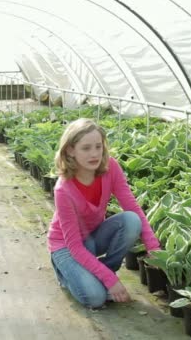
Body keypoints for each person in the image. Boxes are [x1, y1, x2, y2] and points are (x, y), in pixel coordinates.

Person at [47, 118, 161, 309]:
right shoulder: (63, 189)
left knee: (131, 221)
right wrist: (110, 282)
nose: (94, 154)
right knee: (96, 299)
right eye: (86, 148)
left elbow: (132, 207)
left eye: (98, 146)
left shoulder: (110, 168)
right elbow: (74, 246)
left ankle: (103, 273)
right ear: (70, 150)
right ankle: (65, 274)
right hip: (65, 246)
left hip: (93, 236)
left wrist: (153, 248)